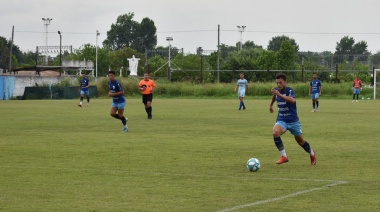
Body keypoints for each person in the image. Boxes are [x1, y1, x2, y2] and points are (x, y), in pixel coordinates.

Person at [269, 73, 317, 165]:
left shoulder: (290, 90)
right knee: (275, 132)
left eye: (280, 82)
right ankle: (284, 156)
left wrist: (279, 94)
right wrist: (271, 105)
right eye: (277, 83)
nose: (278, 85)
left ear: (285, 82)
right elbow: (274, 97)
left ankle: (312, 153)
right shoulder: (276, 91)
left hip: (293, 121)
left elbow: (292, 100)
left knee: (301, 142)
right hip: (282, 119)